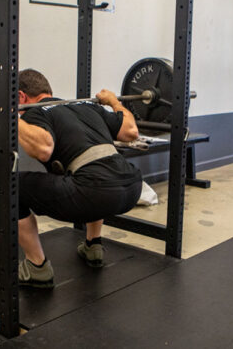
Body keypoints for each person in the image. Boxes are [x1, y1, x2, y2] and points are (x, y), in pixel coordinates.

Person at [12, 68, 142, 288]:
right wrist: (113, 102)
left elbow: (43, 148)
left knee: (12, 187)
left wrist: (11, 116)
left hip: (95, 193)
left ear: (22, 97)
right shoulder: (87, 106)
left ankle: (37, 267)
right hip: (132, 187)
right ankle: (93, 246)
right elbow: (131, 131)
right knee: (88, 170)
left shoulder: (36, 111)